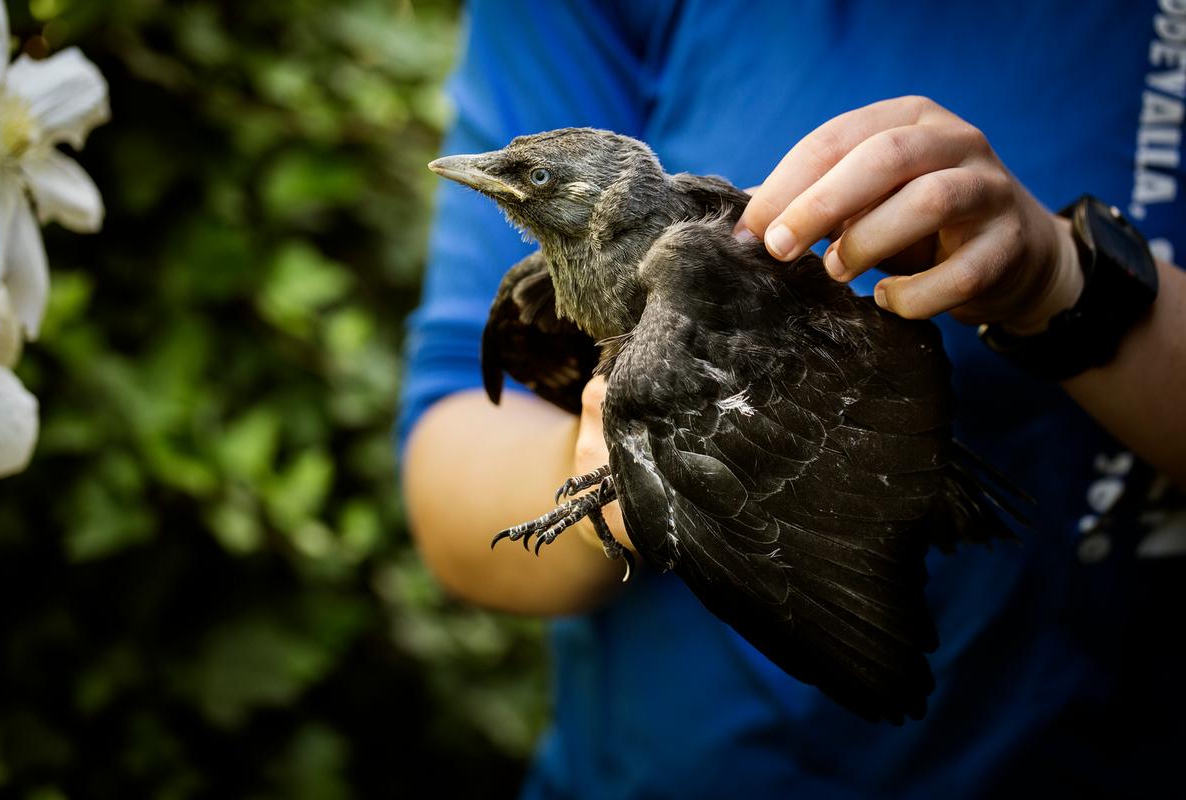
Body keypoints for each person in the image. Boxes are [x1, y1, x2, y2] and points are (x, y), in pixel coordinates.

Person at [400, 1, 1186, 796]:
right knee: (534, 312)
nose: (489, 176)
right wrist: (622, 472)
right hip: (660, 773)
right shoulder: (576, 233)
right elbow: (455, 446)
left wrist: (1058, 279)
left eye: (532, 177)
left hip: (1081, 752)